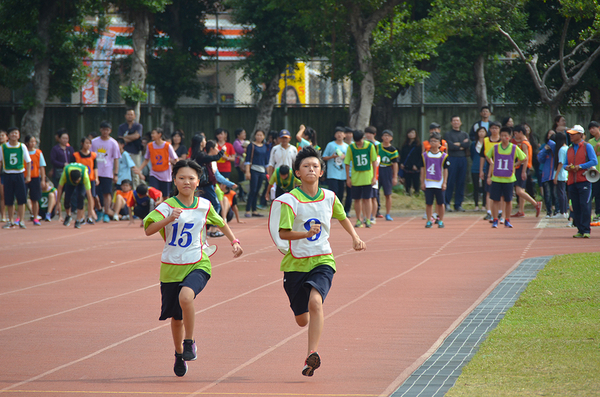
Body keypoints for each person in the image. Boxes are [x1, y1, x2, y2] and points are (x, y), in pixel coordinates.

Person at [268, 146, 366, 377]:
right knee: (302, 320)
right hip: (295, 264)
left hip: (322, 259)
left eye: (315, 166)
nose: (311, 169)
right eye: (306, 166)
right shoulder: (290, 201)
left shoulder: (330, 197)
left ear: (322, 172)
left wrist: (355, 237)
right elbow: (283, 233)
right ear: (297, 173)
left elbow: (342, 217)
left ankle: (312, 354)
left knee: (316, 302)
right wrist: (305, 234)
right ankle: (307, 325)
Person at [144, 159, 243, 377]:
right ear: (174, 180)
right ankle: (179, 354)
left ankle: (189, 342)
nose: (186, 182)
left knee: (186, 297)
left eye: (191, 178)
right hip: (171, 267)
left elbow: (220, 222)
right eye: (182, 178)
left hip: (198, 262)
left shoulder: (204, 205)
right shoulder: (166, 206)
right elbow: (149, 229)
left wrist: (234, 241)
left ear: (198, 181)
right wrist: (168, 218)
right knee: (176, 318)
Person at [486, 126, 528, 229]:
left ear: (509, 137)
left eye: (505, 136)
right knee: (495, 200)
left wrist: (515, 164)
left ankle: (507, 219)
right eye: (502, 135)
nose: (503, 137)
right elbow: (487, 155)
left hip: (509, 178)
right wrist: (492, 163)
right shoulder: (495, 147)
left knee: (508, 200)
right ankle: (495, 219)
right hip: (496, 178)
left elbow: (524, 158)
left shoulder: (513, 148)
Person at [565, 125, 598, 238]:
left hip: (584, 180)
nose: (571, 136)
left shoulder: (586, 146)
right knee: (576, 205)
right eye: (570, 134)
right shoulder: (569, 149)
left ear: (580, 135)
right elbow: (565, 163)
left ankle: (586, 230)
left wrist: (580, 166)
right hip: (572, 181)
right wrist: (568, 167)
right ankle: (579, 229)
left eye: (573, 134)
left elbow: (594, 161)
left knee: (585, 204)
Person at [345, 130, 377, 228]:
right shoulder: (351, 147)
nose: (358, 143)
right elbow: (347, 162)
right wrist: (348, 178)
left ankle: (368, 218)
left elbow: (374, 161)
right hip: (356, 177)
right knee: (357, 199)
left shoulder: (370, 146)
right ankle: (358, 219)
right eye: (357, 141)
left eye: (360, 141)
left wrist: (374, 176)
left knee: (367, 199)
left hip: (367, 177)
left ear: (363, 138)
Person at [0, 127, 31, 229]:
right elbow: (0, 161)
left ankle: (21, 220)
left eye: (16, 133)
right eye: (12, 133)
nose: (14, 135)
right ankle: (10, 220)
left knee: (21, 198)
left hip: (19, 174)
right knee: (8, 198)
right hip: (8, 174)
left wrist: (28, 175)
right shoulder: (3, 147)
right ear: (8, 136)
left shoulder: (22, 147)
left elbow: (28, 161)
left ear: (19, 135)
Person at [92, 121, 121, 223]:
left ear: (110, 131)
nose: (105, 132)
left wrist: (115, 173)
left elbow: (116, 158)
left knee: (107, 193)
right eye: (103, 129)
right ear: (100, 130)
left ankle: (106, 212)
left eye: (107, 130)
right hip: (95, 172)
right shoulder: (94, 142)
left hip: (107, 172)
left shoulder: (113, 143)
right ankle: (98, 211)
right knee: (94, 193)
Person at [510, 125, 541, 218]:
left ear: (520, 133)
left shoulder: (524, 143)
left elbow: (525, 158)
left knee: (519, 191)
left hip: (522, 168)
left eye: (516, 133)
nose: (515, 135)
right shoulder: (525, 142)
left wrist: (522, 170)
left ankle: (536, 204)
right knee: (522, 190)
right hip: (523, 167)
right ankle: (521, 210)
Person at [420, 133, 450, 228]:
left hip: (439, 183)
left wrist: (444, 182)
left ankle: (440, 220)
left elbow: (445, 170)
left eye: (436, 141)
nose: (433, 143)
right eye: (432, 141)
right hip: (428, 182)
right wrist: (422, 182)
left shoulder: (443, 156)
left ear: (440, 144)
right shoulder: (425, 155)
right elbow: (422, 169)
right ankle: (429, 220)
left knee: (440, 203)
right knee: (429, 203)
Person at [55, 162, 96, 229]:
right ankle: (68, 215)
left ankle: (78, 220)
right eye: (75, 181)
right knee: (67, 198)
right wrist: (58, 202)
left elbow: (89, 195)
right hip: (69, 182)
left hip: (81, 183)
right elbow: (60, 188)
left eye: (77, 181)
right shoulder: (65, 173)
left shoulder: (85, 176)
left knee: (81, 197)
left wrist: (91, 209)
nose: (76, 183)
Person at [140, 128, 178, 198]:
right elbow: (146, 159)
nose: (152, 135)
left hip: (165, 174)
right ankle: (154, 208)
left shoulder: (167, 146)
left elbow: (175, 159)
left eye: (153, 133)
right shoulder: (150, 146)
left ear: (159, 134)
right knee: (153, 193)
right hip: (154, 173)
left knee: (165, 196)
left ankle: (165, 208)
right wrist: (139, 169)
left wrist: (178, 170)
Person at [445, 116, 470, 212]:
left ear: (461, 123)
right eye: (454, 120)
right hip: (452, 158)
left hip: (462, 159)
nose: (456, 122)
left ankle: (458, 204)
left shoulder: (464, 134)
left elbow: (467, 144)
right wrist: (460, 145)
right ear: (451, 122)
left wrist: (458, 144)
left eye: (457, 121)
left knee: (461, 182)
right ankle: (447, 203)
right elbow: (450, 145)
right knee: (450, 181)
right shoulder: (448, 134)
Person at [479, 121, 503, 221]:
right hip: (489, 166)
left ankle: (500, 212)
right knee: (489, 190)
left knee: (501, 191)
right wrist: (481, 170)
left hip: (501, 166)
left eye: (496, 128)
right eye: (492, 128)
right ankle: (489, 211)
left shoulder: (502, 140)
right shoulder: (486, 141)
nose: (494, 130)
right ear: (489, 129)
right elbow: (482, 157)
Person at [73, 137, 99, 223]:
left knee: (91, 196)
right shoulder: (76, 155)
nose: (88, 145)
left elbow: (95, 167)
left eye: (89, 143)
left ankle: (90, 216)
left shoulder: (93, 155)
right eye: (86, 143)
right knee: (81, 197)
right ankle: (82, 216)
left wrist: (96, 178)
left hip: (90, 179)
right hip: (80, 180)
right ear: (82, 144)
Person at [244, 130, 269, 217]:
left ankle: (254, 210)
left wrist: (268, 173)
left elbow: (266, 161)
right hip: (254, 170)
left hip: (262, 171)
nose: (259, 137)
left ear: (263, 137)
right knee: (253, 190)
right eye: (257, 135)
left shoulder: (265, 146)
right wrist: (247, 172)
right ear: (255, 136)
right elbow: (247, 159)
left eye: (261, 135)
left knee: (257, 191)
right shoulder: (251, 145)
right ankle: (248, 209)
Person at [322, 126, 349, 203]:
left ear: (344, 135)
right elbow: (324, 157)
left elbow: (350, 160)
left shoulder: (346, 146)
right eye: (337, 133)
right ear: (335, 135)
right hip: (332, 174)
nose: (339, 135)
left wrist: (345, 157)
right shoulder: (330, 145)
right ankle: (332, 209)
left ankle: (339, 210)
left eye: (341, 133)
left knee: (341, 193)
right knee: (333, 192)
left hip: (342, 174)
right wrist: (332, 157)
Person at [117, 108, 143, 187]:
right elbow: (120, 139)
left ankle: (136, 190)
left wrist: (126, 137)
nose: (130, 116)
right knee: (123, 171)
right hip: (124, 152)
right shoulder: (121, 126)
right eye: (128, 114)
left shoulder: (138, 126)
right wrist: (130, 137)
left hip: (135, 152)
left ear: (135, 116)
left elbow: (137, 136)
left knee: (135, 172)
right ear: (125, 116)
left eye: (131, 115)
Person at [24, 135, 46, 226]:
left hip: (35, 177)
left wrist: (43, 180)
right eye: (31, 141)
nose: (33, 143)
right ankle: (20, 217)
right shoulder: (24, 152)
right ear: (27, 143)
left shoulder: (38, 152)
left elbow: (42, 167)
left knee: (35, 198)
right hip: (24, 177)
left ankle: (36, 216)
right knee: (22, 197)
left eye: (34, 141)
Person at [378, 130, 399, 221]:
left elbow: (395, 164)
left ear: (391, 138)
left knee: (388, 194)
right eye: (385, 135)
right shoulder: (377, 147)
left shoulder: (393, 150)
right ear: (382, 137)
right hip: (377, 169)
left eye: (388, 136)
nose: (386, 137)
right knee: (374, 193)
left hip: (387, 170)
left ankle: (388, 213)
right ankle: (374, 212)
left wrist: (395, 176)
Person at [536, 128, 557, 218]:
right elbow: (540, 158)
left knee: (555, 193)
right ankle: (549, 211)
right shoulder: (545, 146)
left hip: (555, 174)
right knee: (547, 194)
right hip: (546, 174)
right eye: (549, 134)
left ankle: (557, 210)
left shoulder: (558, 147)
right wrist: (545, 149)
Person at [399, 128, 421, 196]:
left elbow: (420, 157)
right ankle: (407, 193)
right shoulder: (405, 145)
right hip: (406, 167)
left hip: (415, 167)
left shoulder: (418, 145)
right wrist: (401, 163)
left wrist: (417, 165)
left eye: (413, 133)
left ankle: (417, 194)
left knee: (416, 183)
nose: (411, 135)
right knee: (407, 182)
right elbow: (402, 155)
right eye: (410, 133)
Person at [552, 132, 569, 218]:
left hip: (561, 174)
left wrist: (556, 176)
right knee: (563, 193)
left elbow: (561, 163)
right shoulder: (567, 148)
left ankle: (562, 211)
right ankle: (564, 211)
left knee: (560, 193)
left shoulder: (562, 149)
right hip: (564, 173)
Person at [470, 127, 487, 211]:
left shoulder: (487, 143)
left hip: (485, 168)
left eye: (483, 131)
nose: (481, 133)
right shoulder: (473, 144)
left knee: (485, 187)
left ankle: (484, 205)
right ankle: (476, 205)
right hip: (475, 168)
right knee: (476, 187)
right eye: (479, 131)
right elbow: (472, 155)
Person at [586, 121, 600, 219]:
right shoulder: (590, 142)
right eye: (590, 129)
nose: (592, 130)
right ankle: (597, 213)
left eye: (593, 128)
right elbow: (591, 156)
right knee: (596, 192)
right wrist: (596, 147)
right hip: (595, 171)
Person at [232, 128, 248, 201]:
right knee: (242, 179)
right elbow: (241, 150)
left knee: (245, 179)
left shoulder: (244, 141)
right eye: (243, 133)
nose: (244, 134)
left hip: (245, 163)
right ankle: (241, 194)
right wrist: (247, 148)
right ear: (238, 135)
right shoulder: (236, 143)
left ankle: (244, 193)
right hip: (239, 164)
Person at [0, 129, 7, 221]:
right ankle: (3, 215)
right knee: (2, 195)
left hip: (8, 173)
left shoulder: (9, 147)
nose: (1, 137)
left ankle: (6, 215)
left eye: (2, 135)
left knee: (6, 195)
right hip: (1, 174)